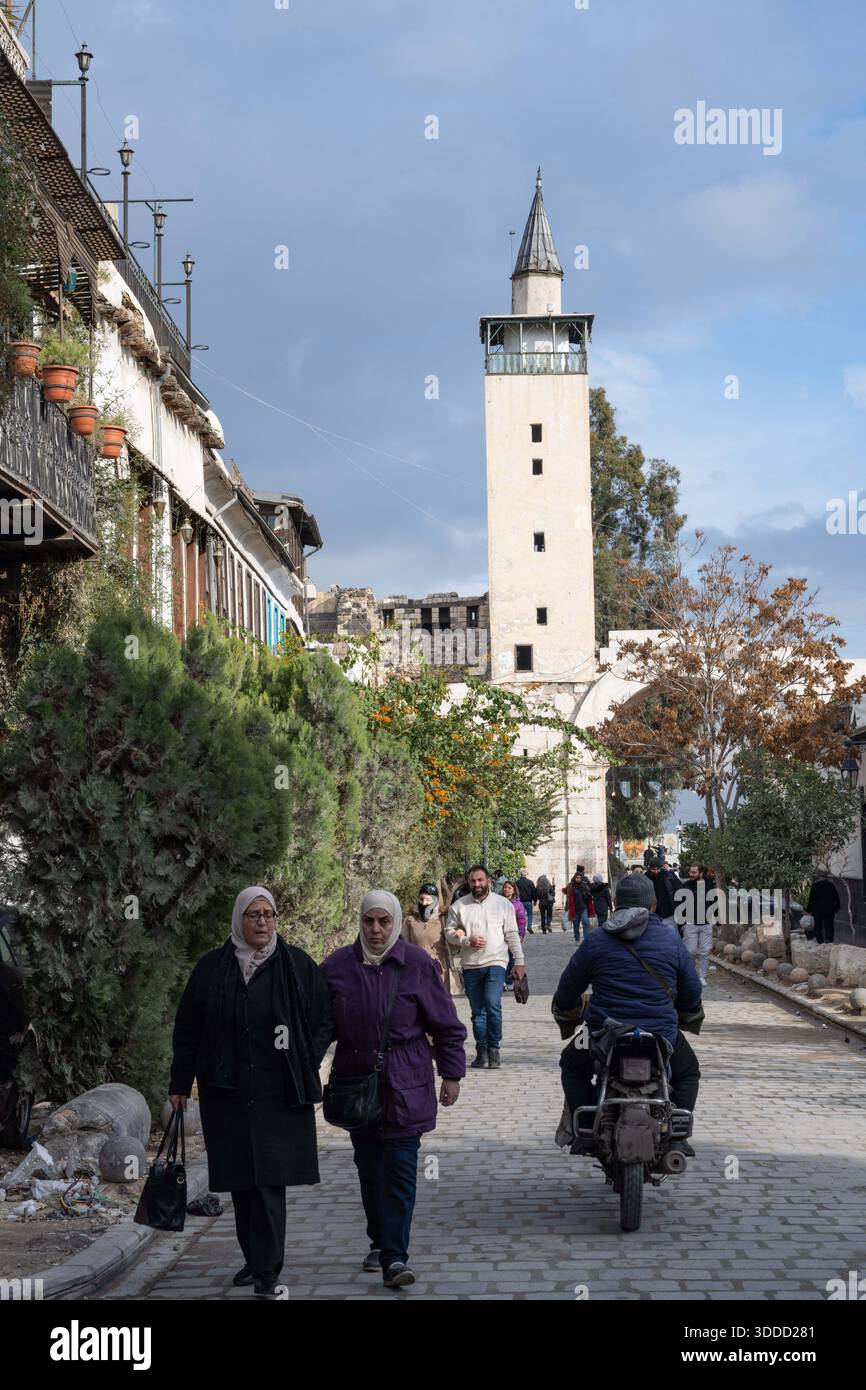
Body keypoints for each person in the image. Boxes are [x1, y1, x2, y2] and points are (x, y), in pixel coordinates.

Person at [169, 886, 333, 1298]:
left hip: (279, 1090)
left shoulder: (295, 966)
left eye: (269, 914)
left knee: (268, 1181)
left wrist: (305, 1059)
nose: (262, 922)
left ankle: (268, 1271)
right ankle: (254, 1259)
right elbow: (188, 1027)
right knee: (241, 1180)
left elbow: (325, 1017)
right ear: (239, 919)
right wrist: (178, 1084)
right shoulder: (212, 968)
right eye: (254, 915)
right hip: (228, 1091)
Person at [322, 890, 466, 1289]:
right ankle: (379, 1240)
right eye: (369, 921)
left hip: (408, 1080)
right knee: (370, 1170)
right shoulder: (337, 967)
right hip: (358, 1082)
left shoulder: (418, 965)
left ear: (396, 923)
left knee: (401, 1169)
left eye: (384, 921)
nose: (375, 929)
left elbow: (446, 1025)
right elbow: (318, 1026)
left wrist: (451, 1074)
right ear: (360, 922)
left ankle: (395, 1256)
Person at [553, 873, 702, 1154]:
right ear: (654, 905)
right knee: (688, 1072)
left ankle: (585, 1131)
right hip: (660, 1034)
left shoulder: (596, 940)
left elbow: (567, 989)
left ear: (614, 902)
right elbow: (692, 992)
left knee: (572, 1065)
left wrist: (567, 1007)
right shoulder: (671, 941)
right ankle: (679, 1136)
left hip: (604, 1034)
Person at [445, 865, 525, 1069]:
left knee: (492, 1004)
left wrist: (519, 961)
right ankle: (481, 1052)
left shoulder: (502, 905)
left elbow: (512, 934)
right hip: (471, 964)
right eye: (473, 881)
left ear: (488, 880)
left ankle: (494, 1049)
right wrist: (466, 941)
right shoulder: (459, 906)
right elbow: (449, 932)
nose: (477, 884)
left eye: (480, 880)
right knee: (477, 1011)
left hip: (496, 962)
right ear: (468, 882)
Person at [402, 881, 461, 996]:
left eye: (428, 900)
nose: (424, 903)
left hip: (439, 970)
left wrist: (458, 935)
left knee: (438, 1006)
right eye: (421, 899)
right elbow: (403, 945)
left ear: (435, 901)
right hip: (416, 969)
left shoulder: (443, 919)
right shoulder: (410, 919)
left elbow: (454, 945)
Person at [679, 864, 712, 982]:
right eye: (690, 872)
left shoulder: (709, 885)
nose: (691, 875)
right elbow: (680, 903)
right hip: (690, 923)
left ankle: (703, 976)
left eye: (694, 872)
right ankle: (691, 975)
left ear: (701, 873)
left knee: (705, 951)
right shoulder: (686, 886)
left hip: (706, 923)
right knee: (690, 951)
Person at [501, 880, 527, 989]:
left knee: (511, 960)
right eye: (505, 887)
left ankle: (509, 981)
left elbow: (521, 921)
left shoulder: (517, 904)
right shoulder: (498, 902)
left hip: (512, 934)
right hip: (500, 935)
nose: (506, 889)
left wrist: (521, 935)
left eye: (509, 888)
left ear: (513, 890)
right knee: (501, 959)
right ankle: (501, 981)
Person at [646, 857, 681, 931]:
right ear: (649, 868)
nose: (656, 871)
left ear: (661, 867)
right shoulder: (645, 878)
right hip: (652, 915)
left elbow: (679, 889)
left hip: (668, 913)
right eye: (653, 869)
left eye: (657, 869)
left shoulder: (669, 875)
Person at [806, 870, 841, 944]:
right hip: (829, 909)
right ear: (826, 878)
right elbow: (836, 897)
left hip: (817, 910)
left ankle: (820, 941)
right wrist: (837, 908)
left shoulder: (815, 886)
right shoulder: (831, 885)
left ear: (818, 877)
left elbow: (811, 899)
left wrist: (808, 910)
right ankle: (830, 940)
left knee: (818, 926)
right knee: (830, 925)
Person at [564, 865, 592, 942]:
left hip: (583, 907)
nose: (578, 879)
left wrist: (587, 894)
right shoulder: (571, 886)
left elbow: (590, 893)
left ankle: (586, 938)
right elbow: (565, 891)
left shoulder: (585, 885)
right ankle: (577, 939)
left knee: (586, 922)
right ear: (575, 878)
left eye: (580, 877)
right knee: (576, 925)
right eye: (577, 877)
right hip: (574, 908)